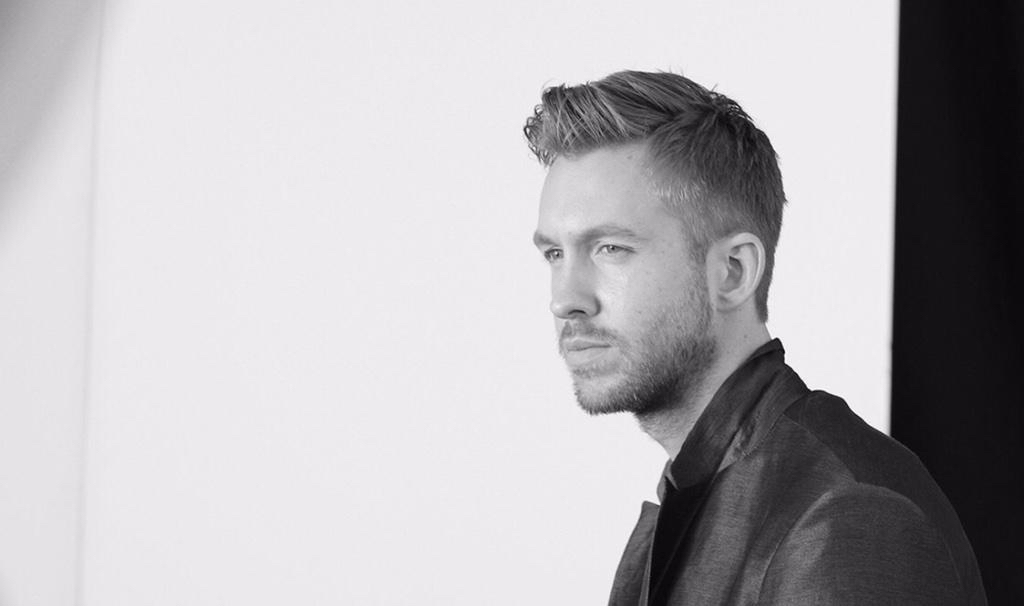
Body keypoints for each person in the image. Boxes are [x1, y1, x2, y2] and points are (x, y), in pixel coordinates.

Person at [524, 70, 986, 605]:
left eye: (611, 248)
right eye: (554, 253)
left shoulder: (843, 517)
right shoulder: (701, 497)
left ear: (734, 272)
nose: (565, 298)